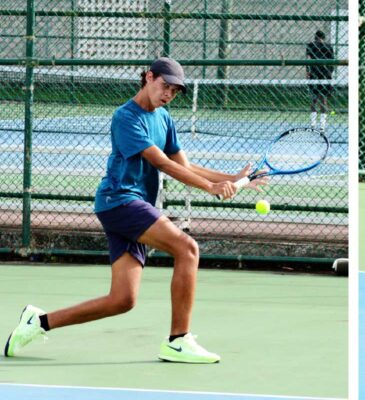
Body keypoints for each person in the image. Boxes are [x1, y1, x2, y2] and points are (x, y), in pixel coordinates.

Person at [4, 57, 266, 363]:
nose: (168, 94)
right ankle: (178, 340)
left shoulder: (164, 118)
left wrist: (232, 178)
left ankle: (38, 322)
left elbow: (184, 165)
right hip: (120, 201)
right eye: (165, 86)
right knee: (187, 249)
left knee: (122, 299)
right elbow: (161, 162)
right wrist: (210, 187)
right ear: (149, 77)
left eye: (175, 91)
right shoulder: (125, 117)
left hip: (131, 206)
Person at [306, 30, 335, 132]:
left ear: (315, 37)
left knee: (314, 98)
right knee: (323, 99)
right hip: (325, 74)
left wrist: (308, 72)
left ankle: (313, 124)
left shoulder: (310, 45)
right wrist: (329, 73)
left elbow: (308, 59)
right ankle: (322, 125)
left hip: (314, 74)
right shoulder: (329, 46)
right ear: (324, 37)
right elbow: (332, 62)